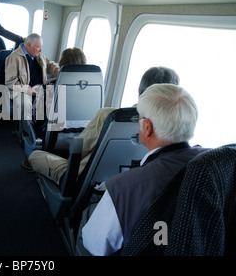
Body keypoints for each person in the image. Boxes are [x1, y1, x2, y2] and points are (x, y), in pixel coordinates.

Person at [81, 83, 207, 256]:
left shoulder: (124, 187)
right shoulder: (215, 164)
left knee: (88, 220)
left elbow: (94, 245)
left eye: (138, 119)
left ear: (147, 127)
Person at [28, 66, 180, 184]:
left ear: (139, 90)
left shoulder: (109, 116)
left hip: (87, 180)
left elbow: (78, 151)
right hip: (138, 184)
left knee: (35, 156)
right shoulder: (176, 134)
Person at [32, 47, 88, 138]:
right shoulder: (92, 86)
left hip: (53, 135)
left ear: (62, 63)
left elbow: (38, 118)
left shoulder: (50, 84)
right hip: (83, 135)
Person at [5, 33, 60, 121]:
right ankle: (26, 130)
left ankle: (47, 129)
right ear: (29, 45)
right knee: (26, 102)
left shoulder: (39, 55)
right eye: (38, 47)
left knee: (57, 99)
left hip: (40, 88)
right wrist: (28, 90)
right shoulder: (13, 57)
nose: (40, 50)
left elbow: (48, 64)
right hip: (22, 91)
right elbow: (10, 82)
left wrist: (56, 69)